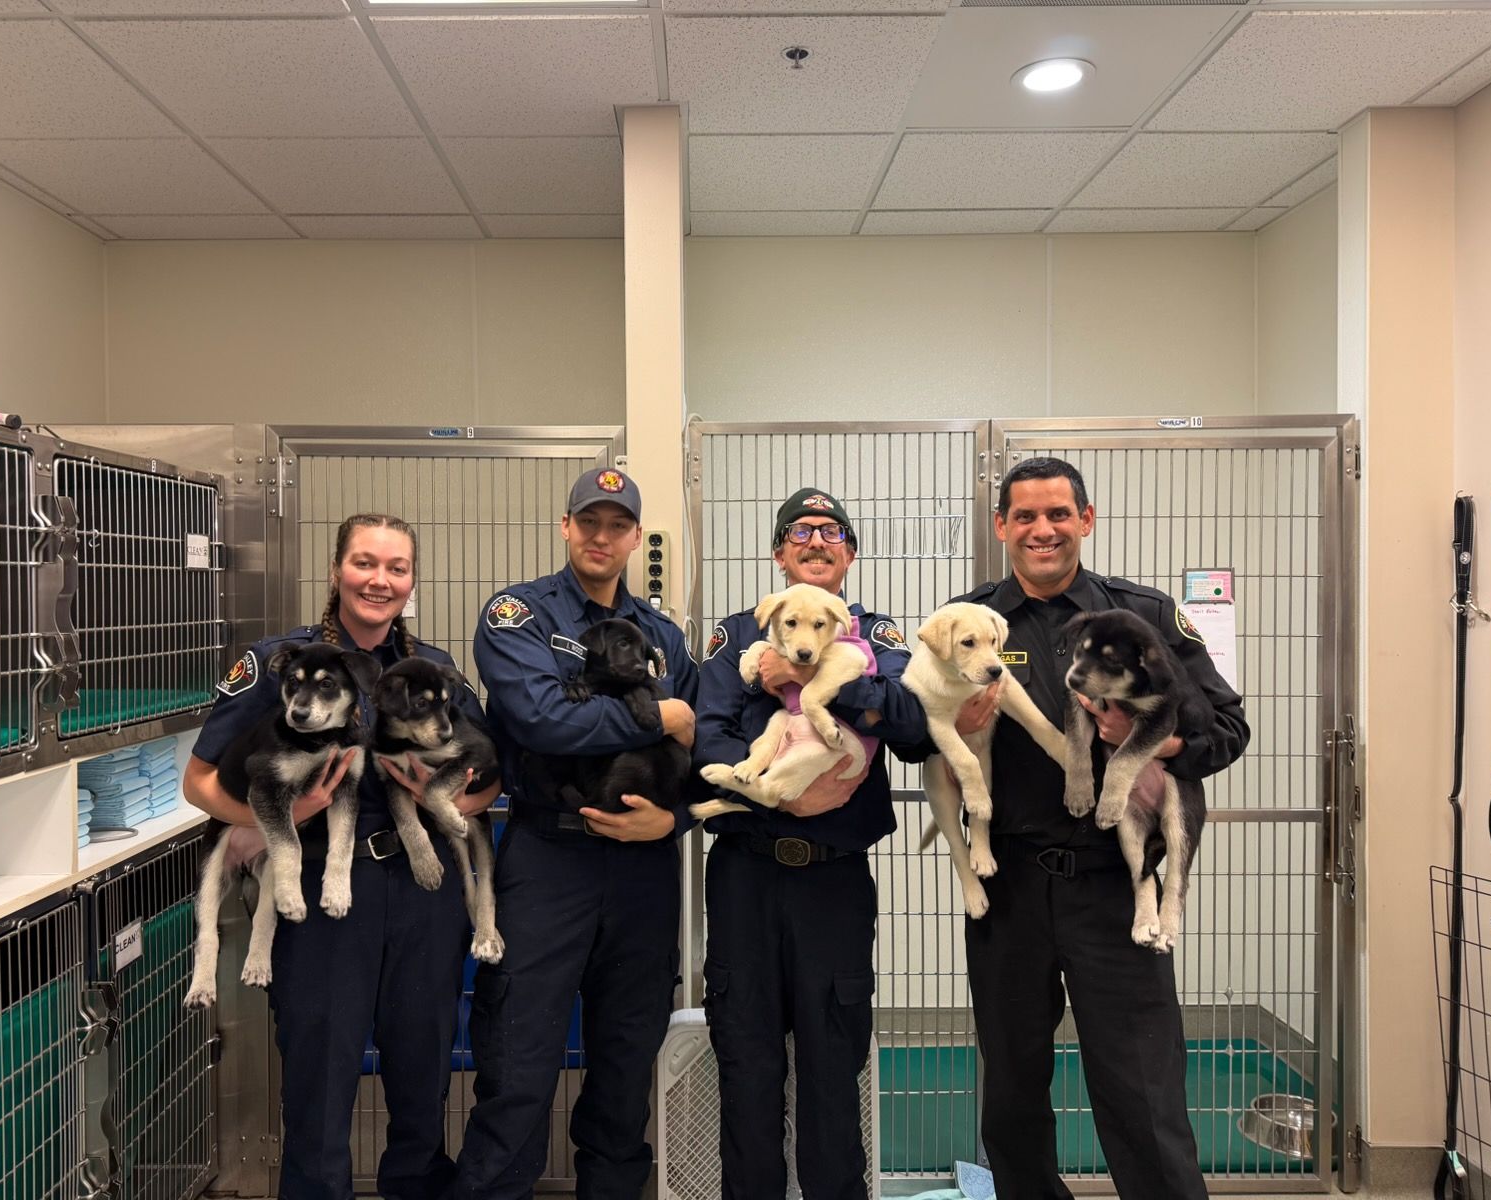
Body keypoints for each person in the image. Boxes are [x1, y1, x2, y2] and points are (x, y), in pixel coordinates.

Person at [948, 457, 1249, 1200]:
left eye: (1057, 514)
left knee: (1143, 1089)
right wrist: (946, 727)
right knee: (1012, 1092)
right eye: (1024, 516)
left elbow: (1227, 725)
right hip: (1010, 885)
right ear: (1002, 527)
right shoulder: (972, 621)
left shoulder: (1140, 615)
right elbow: (916, 732)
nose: (1041, 530)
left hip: (1115, 888)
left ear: (1086, 518)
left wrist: (1161, 743)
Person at [184, 512, 499, 1200]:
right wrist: (278, 819)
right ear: (336, 571)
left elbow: (488, 775)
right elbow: (199, 780)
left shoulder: (432, 670)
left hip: (423, 892)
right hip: (328, 894)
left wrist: (450, 804)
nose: (379, 580)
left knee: (422, 1076)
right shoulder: (282, 662)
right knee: (321, 1081)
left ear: (412, 581)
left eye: (396, 568)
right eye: (364, 562)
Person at [448, 466, 698, 1200]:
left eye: (617, 524)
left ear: (634, 538)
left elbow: (701, 749)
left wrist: (675, 818)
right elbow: (539, 721)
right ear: (566, 527)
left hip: (644, 869)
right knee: (518, 1069)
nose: (601, 535)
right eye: (589, 520)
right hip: (546, 861)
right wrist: (658, 718)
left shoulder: (662, 635)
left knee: (625, 1071)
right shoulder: (517, 617)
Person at [692, 487, 929, 1200]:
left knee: (833, 1068)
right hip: (746, 876)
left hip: (834, 881)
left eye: (832, 533)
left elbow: (913, 727)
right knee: (748, 1064)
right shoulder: (737, 635)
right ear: (778, 555)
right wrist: (783, 791)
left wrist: (804, 674)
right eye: (801, 533)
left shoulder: (876, 636)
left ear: (850, 556)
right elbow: (709, 737)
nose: (817, 542)